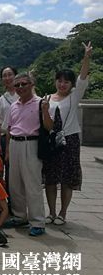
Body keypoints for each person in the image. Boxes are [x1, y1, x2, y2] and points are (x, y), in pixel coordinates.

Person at [43, 41, 92, 226]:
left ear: (71, 84)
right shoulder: (48, 98)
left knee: (66, 178)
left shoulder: (74, 96)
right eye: (60, 80)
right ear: (55, 81)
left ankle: (63, 213)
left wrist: (86, 57)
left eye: (66, 81)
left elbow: (83, 78)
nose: (62, 84)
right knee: (50, 178)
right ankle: (51, 212)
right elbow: (46, 123)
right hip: (52, 141)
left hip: (70, 140)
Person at [5, 72, 52, 236]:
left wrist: (45, 111)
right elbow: (9, 128)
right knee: (15, 184)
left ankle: (37, 221)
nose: (20, 87)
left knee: (32, 184)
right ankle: (20, 216)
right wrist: (7, 150)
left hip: (31, 143)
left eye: (24, 84)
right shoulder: (13, 105)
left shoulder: (41, 103)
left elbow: (49, 126)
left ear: (32, 84)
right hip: (14, 143)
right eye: (17, 85)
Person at [0, 66, 19, 185]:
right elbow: (0, 121)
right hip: (4, 137)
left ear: (16, 76)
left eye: (10, 74)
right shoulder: (2, 98)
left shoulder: (22, 94)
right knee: (5, 168)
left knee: (16, 169)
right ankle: (7, 194)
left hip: (18, 136)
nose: (7, 78)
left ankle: (16, 195)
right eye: (4, 76)